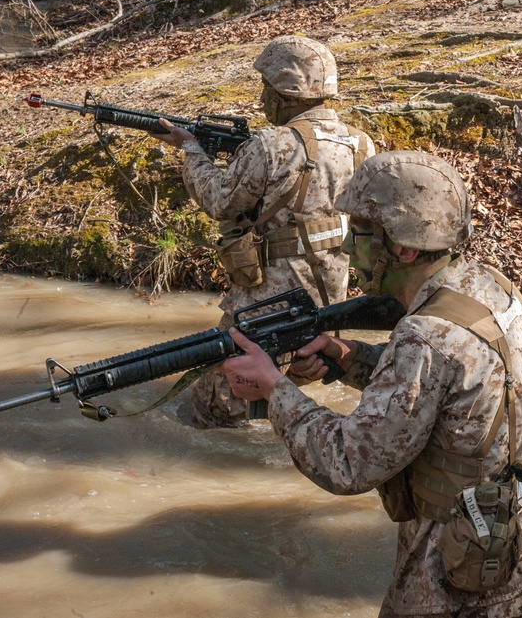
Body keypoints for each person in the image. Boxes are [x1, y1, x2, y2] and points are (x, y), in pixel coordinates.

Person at [221, 150, 522, 616]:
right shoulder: (491, 288)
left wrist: (275, 389)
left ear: (404, 248)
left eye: (359, 233)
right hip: (511, 539)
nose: (348, 249)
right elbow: (455, 391)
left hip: (447, 565)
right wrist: (348, 357)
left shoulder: (423, 337)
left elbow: (349, 462)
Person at [151, 35, 375, 428]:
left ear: (286, 92)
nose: (261, 97)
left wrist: (190, 150)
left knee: (215, 405)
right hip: (328, 299)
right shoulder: (360, 143)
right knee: (286, 397)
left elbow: (221, 201)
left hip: (267, 303)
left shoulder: (271, 143)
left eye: (266, 87)